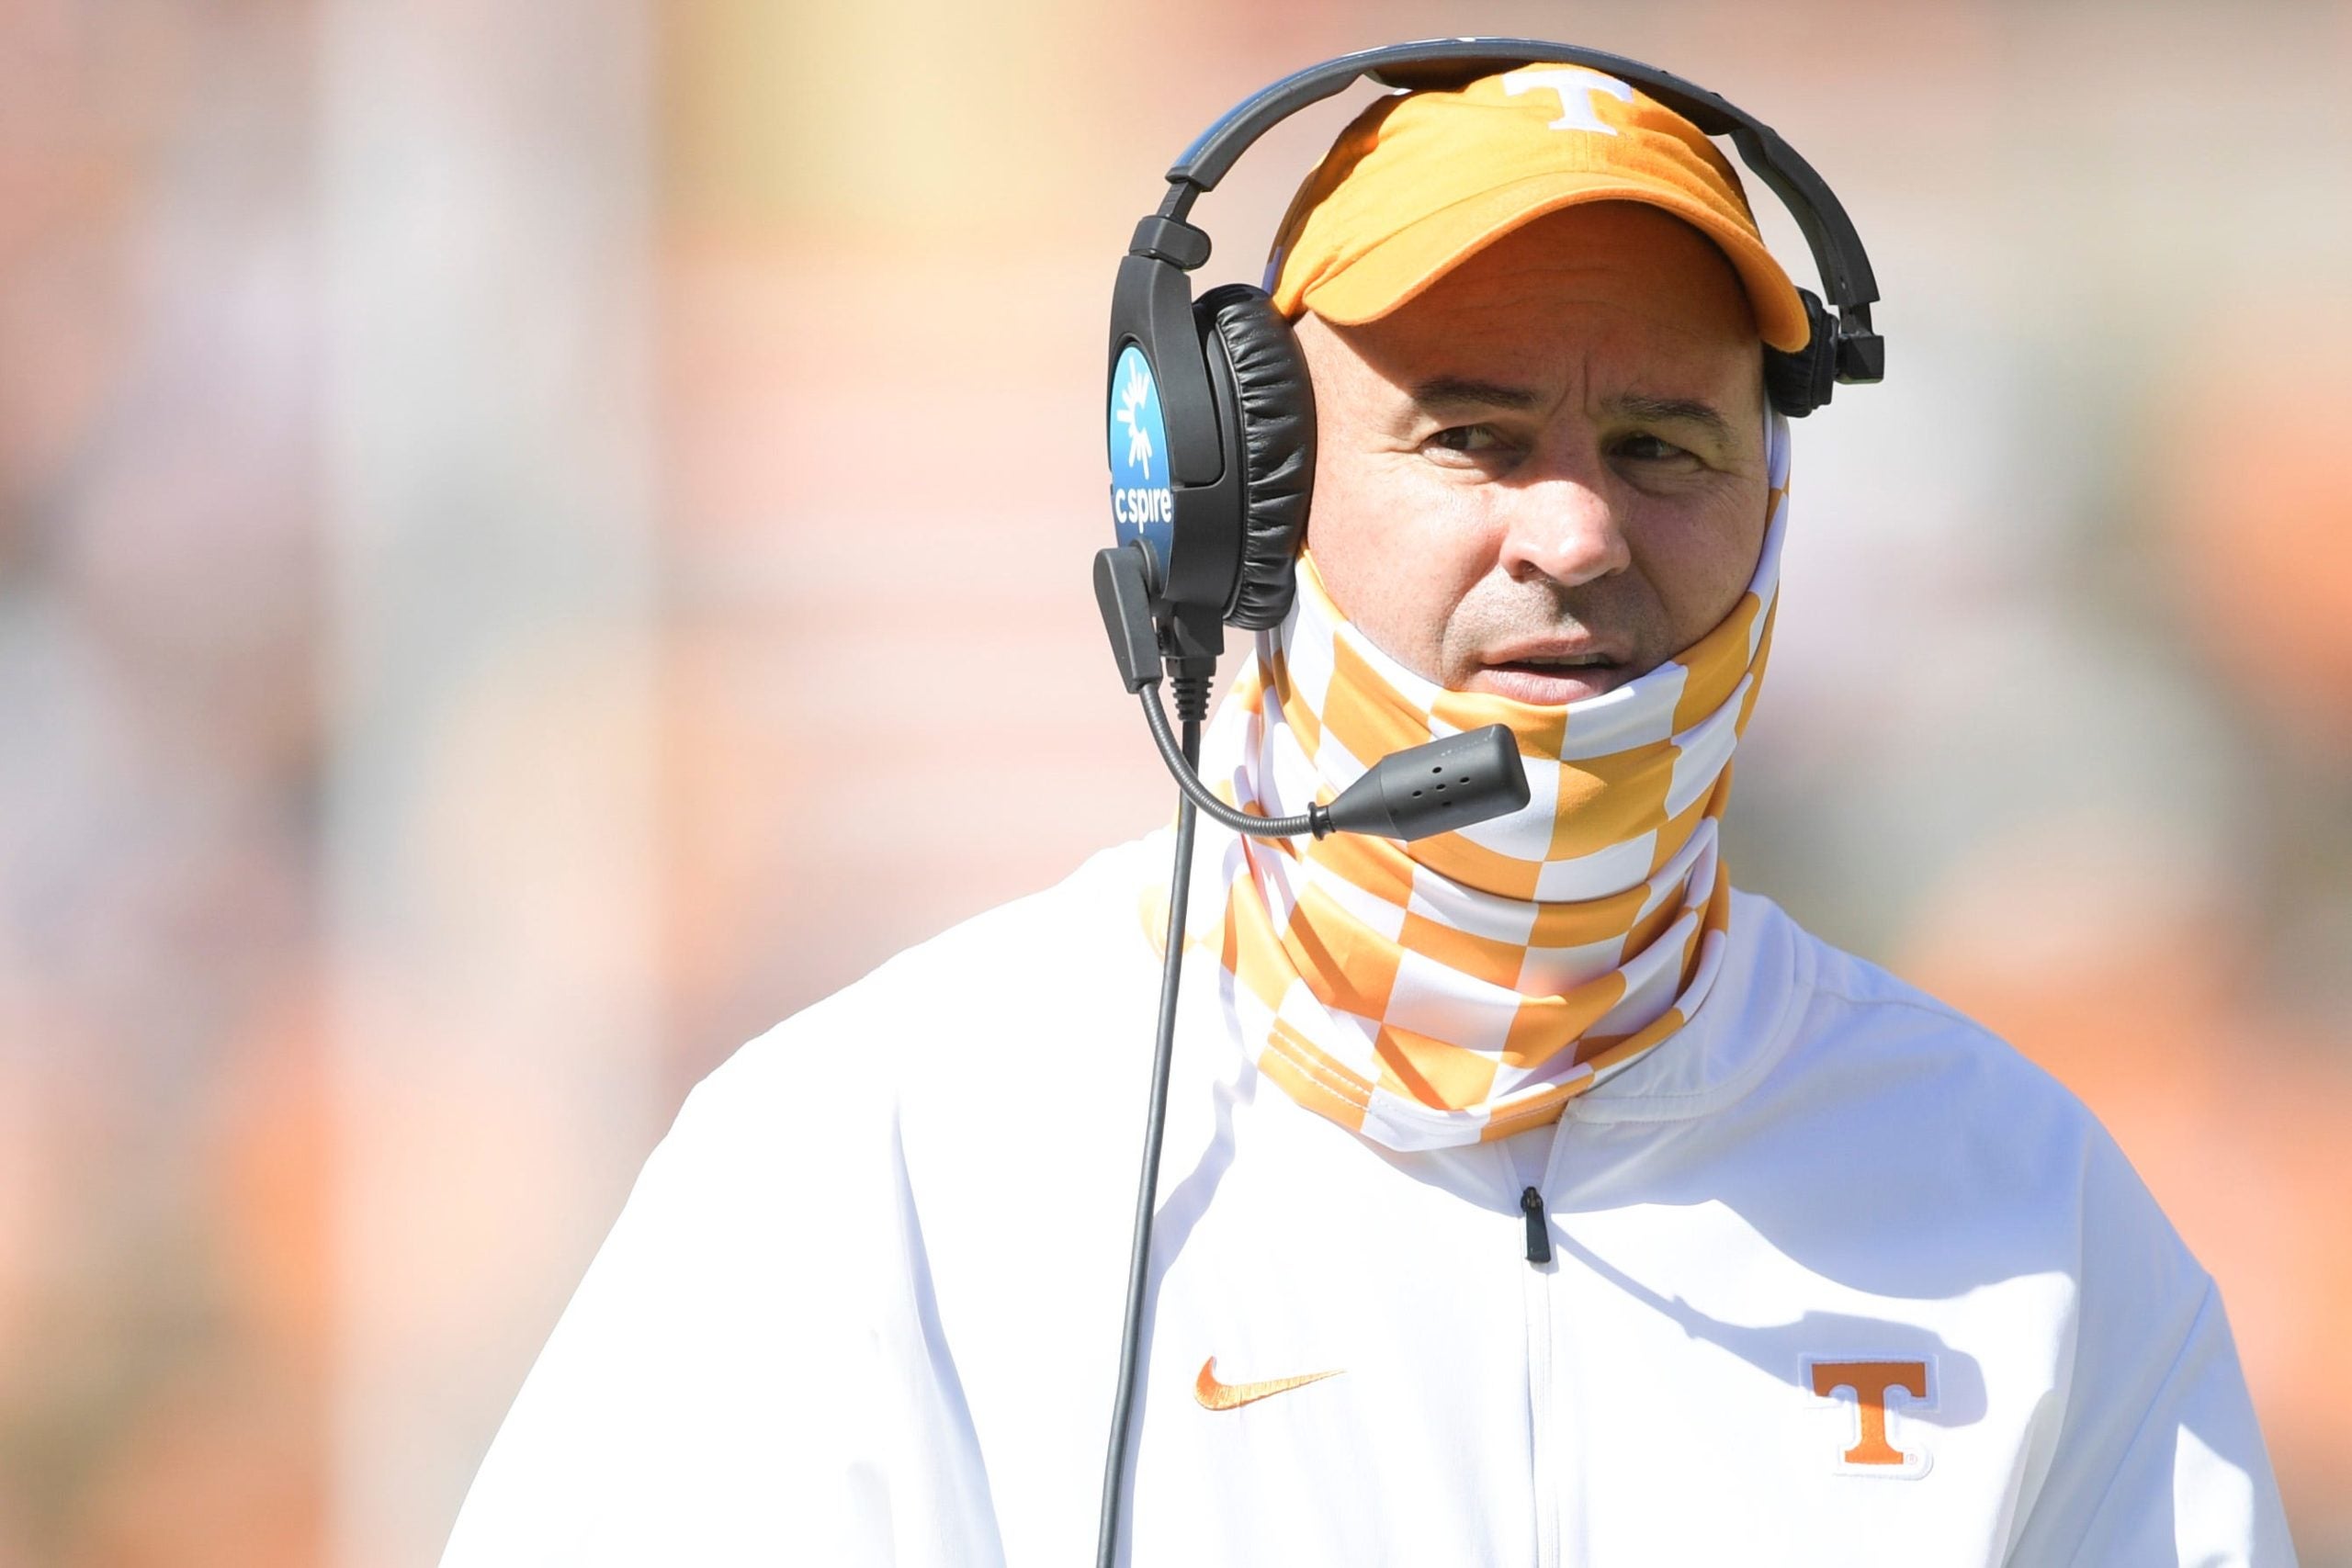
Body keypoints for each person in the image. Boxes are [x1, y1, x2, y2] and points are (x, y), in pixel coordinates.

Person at [440, 52, 2294, 1567]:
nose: (1570, 531)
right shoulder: (881, 1158)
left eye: (1658, 444)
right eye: (1470, 436)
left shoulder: (2018, 1202)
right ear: (1244, 501)